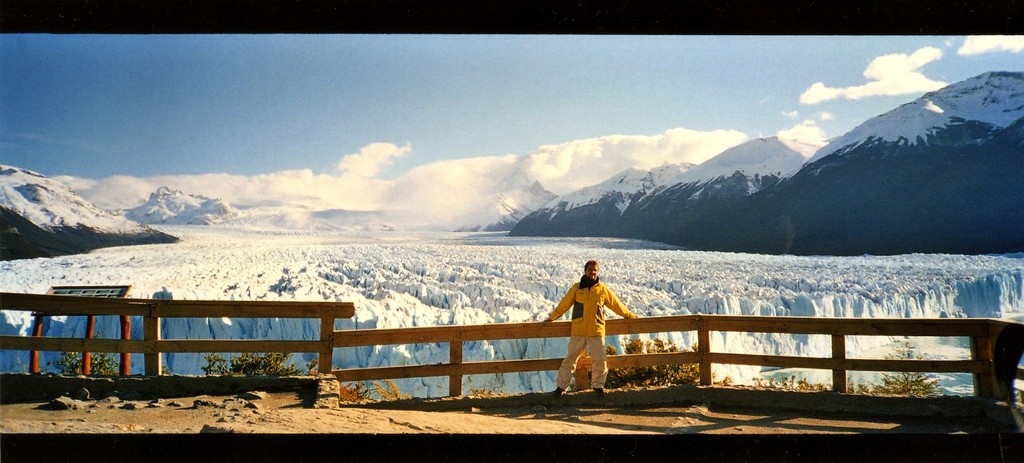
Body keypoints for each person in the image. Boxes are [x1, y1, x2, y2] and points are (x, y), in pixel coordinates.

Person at [544, 259, 638, 397]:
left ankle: (598, 387)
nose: (592, 272)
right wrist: (552, 318)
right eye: (590, 269)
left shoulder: (602, 289)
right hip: (579, 331)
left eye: (595, 270)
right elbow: (564, 305)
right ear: (585, 271)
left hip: (596, 330)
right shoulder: (577, 288)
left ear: (598, 272)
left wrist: (630, 315)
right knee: (570, 359)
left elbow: (616, 305)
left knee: (600, 360)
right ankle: (561, 387)